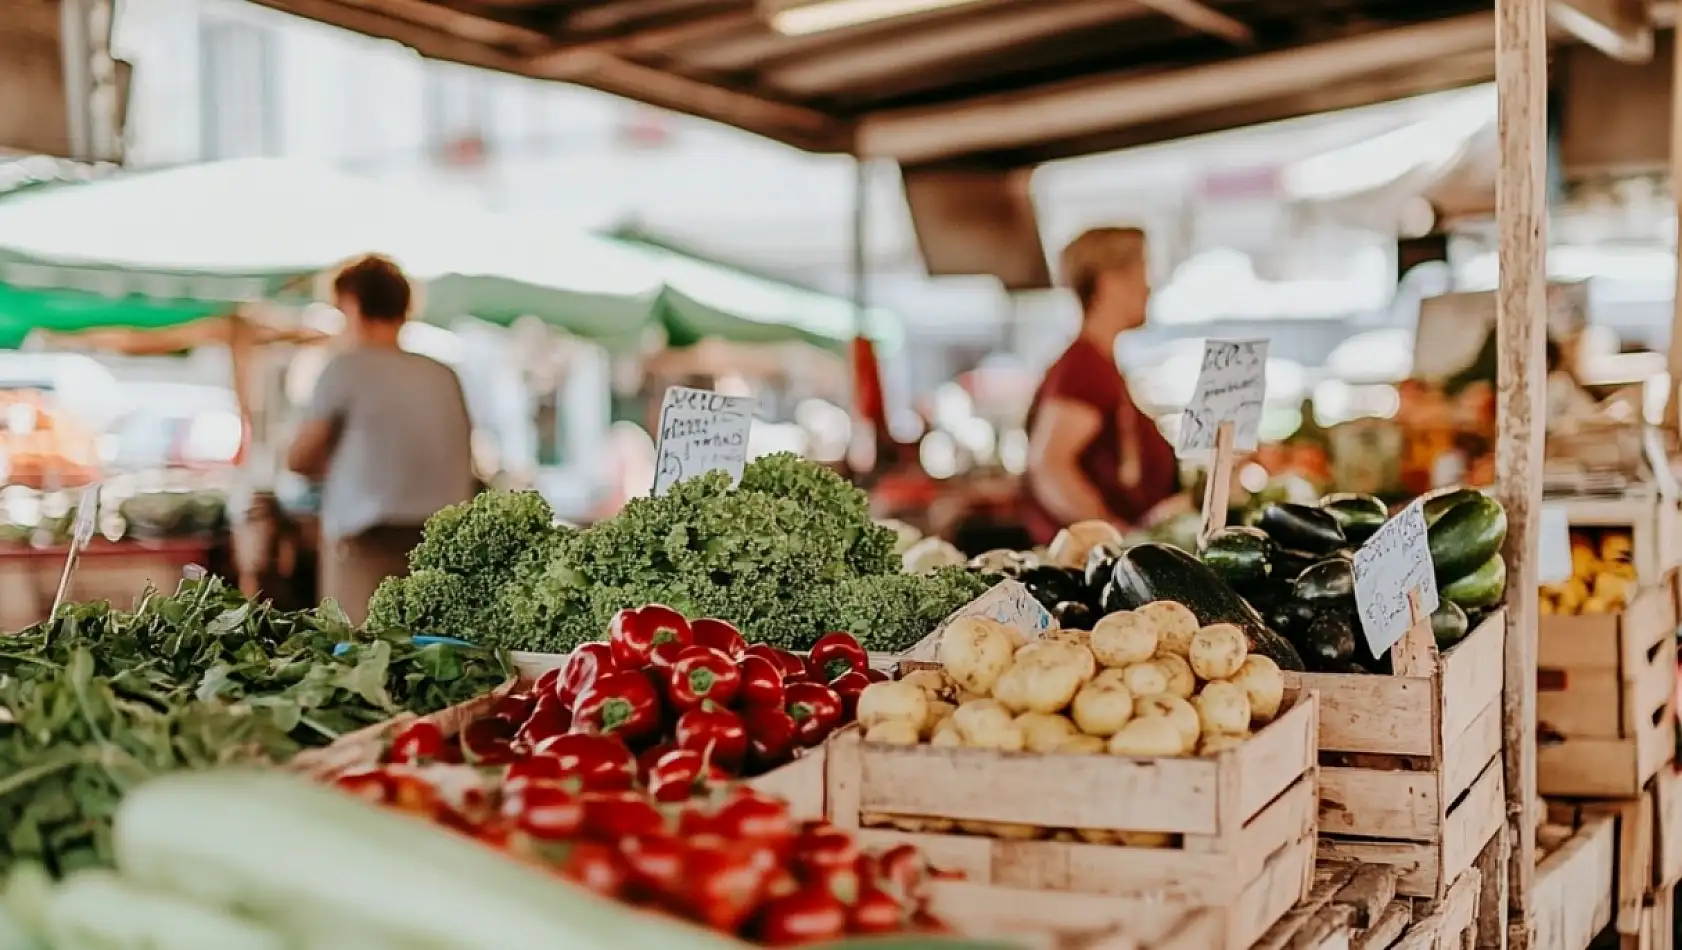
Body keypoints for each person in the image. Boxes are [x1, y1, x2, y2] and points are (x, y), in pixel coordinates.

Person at [286, 254, 475, 625]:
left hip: (366, 546)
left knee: (359, 659)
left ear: (351, 305)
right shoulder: (443, 374)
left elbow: (299, 459)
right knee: (434, 664)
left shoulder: (346, 366)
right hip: (443, 549)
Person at [1021, 227, 1186, 546]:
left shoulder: (1099, 363)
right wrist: (1114, 536)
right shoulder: (1084, 368)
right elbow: (1049, 466)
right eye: (1141, 272)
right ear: (1109, 282)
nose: (1148, 288)